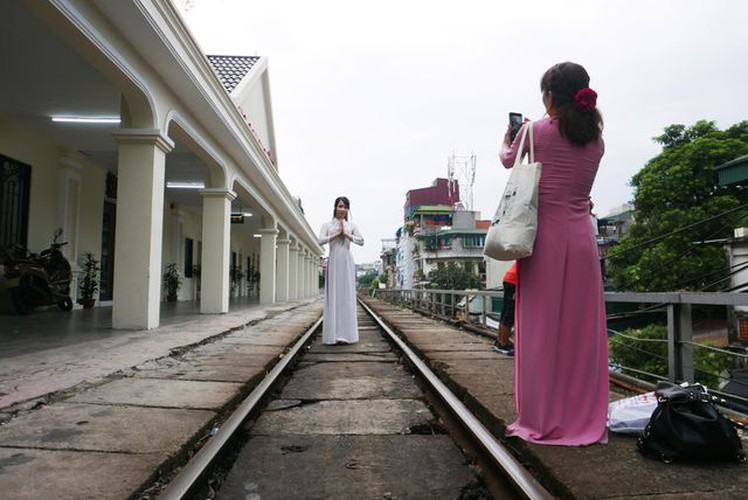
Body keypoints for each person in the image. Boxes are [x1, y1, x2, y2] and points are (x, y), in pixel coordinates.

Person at [499, 62, 608, 446]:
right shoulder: (595, 139)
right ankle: (583, 417)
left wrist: (509, 135)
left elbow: (508, 159)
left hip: (542, 239)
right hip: (581, 240)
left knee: (540, 331)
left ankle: (542, 417)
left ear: (549, 96)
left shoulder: (533, 131)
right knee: (580, 332)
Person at [317, 196, 364, 345]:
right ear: (335, 207)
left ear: (347, 209)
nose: (342, 209)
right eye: (340, 206)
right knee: (334, 296)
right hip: (334, 261)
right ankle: (334, 334)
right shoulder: (327, 225)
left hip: (346, 261)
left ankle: (346, 334)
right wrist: (337, 234)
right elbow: (320, 240)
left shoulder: (352, 225)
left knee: (346, 296)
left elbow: (361, 241)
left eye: (345, 207)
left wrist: (347, 234)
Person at [492, 262, 517, 356]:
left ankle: (499, 342)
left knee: (505, 310)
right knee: (509, 314)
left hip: (509, 278)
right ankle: (503, 344)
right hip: (514, 281)